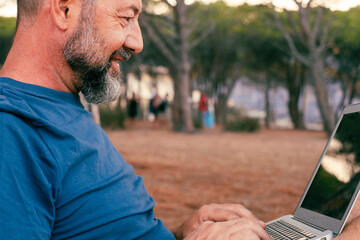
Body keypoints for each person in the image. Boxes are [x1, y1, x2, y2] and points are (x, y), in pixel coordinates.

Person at [0, 1, 358, 240]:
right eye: (126, 17)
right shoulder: (11, 130)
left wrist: (180, 233)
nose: (137, 41)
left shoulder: (58, 105)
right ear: (64, 9)